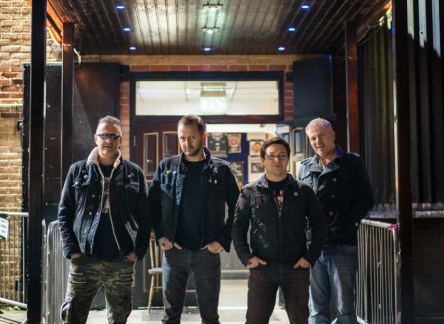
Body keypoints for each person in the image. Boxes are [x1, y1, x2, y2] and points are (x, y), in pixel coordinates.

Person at [58, 115, 151, 324]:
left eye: (114, 136)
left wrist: (137, 252)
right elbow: (64, 213)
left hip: (121, 259)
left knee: (119, 318)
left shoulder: (134, 173)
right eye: (104, 135)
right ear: (95, 138)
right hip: (84, 258)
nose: (108, 140)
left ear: (120, 140)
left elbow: (146, 217)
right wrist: (72, 249)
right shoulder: (77, 170)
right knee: (72, 316)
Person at [148, 114, 240, 324]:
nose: (186, 143)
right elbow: (151, 205)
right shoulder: (167, 167)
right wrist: (161, 235)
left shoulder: (221, 169)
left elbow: (239, 209)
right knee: (170, 317)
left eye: (192, 137)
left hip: (207, 252)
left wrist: (221, 241)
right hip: (174, 252)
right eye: (182, 138)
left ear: (203, 136)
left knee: (210, 317)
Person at [232, 136, 327, 324]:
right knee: (255, 320)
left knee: (300, 320)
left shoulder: (304, 190)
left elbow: (319, 226)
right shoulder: (250, 192)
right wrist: (247, 257)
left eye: (282, 155)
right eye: (272, 156)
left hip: (296, 268)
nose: (277, 160)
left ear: (288, 159)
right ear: (263, 159)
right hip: (262, 268)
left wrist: (310, 257)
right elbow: (237, 228)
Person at [299, 118, 374, 324]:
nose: (318, 141)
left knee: (344, 307)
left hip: (341, 243)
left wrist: (346, 222)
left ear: (332, 135)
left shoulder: (352, 163)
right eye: (313, 138)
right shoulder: (305, 167)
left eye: (322, 135)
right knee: (316, 308)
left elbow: (366, 199)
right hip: (312, 244)